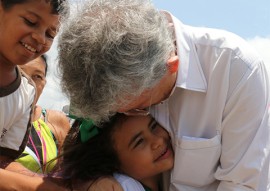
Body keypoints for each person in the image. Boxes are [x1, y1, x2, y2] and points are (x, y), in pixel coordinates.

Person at [58, 0, 270, 190]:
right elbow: (85, 155)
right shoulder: (102, 77)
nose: (129, 114)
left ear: (172, 66)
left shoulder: (236, 69)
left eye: (139, 108)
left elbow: (243, 184)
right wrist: (91, 181)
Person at [0, 0, 69, 190]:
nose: (40, 38)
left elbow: (3, 161)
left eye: (50, 34)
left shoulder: (26, 93)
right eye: (31, 21)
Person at [60, 113, 174, 191]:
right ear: (113, 162)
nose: (158, 141)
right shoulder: (123, 186)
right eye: (139, 142)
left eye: (154, 126)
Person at [17, 55, 70, 174]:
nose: (28, 82)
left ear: (44, 84)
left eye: (37, 76)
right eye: (20, 72)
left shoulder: (56, 122)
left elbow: (66, 174)